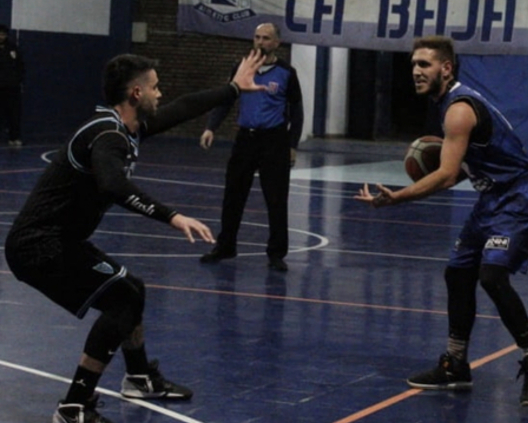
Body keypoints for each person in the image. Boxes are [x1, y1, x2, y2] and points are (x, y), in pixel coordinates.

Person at [4, 49, 267, 423]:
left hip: (59, 241)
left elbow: (182, 108)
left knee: (132, 291)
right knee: (121, 300)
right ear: (135, 95)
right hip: (38, 245)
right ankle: (73, 406)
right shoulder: (107, 135)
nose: (160, 94)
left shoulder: (128, 126)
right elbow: (113, 185)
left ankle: (140, 377)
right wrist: (172, 216)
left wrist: (233, 89)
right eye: (155, 88)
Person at [354, 36, 528, 406]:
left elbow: (447, 176)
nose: (416, 71)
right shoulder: (451, 105)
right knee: (457, 272)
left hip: (517, 199)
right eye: (413, 64)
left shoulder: (459, 108)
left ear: (446, 68)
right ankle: (455, 364)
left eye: (424, 65)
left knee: (492, 276)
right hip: (491, 198)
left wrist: (396, 197)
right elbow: (466, 167)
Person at [199, 22, 304, 272]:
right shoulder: (242, 67)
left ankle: (276, 253)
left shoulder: (287, 72)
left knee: (276, 199)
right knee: (233, 194)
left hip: (274, 140)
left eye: (266, 38)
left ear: (277, 42)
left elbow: (297, 111)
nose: (260, 42)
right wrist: (210, 126)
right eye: (256, 37)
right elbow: (226, 99)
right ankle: (225, 246)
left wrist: (292, 144)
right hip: (246, 139)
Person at [0, 24, 25, 146]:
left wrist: (18, 80)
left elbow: (20, 66)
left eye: (3, 34)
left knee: (14, 113)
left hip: (12, 87)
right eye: (0, 34)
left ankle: (14, 137)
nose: (1, 36)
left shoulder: (12, 48)